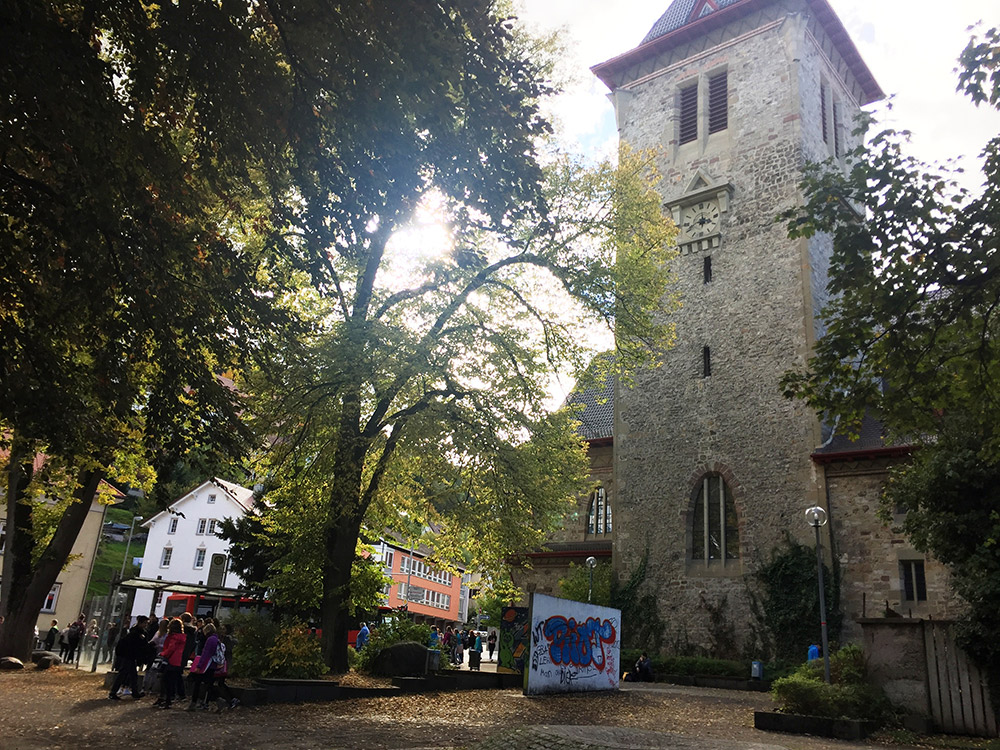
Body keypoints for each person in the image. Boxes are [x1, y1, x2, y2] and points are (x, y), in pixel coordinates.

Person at [109, 619, 148, 701]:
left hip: (129, 656)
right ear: (140, 623)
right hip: (129, 656)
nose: (146, 625)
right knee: (125, 674)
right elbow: (135, 645)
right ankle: (114, 692)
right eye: (144, 623)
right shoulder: (136, 634)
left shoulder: (134, 632)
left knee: (131, 674)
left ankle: (133, 692)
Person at [187, 622, 220, 711]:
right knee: (209, 685)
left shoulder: (209, 640)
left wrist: (199, 665)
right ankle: (206, 703)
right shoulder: (217, 639)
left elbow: (206, 653)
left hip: (206, 665)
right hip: (213, 665)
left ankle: (194, 702)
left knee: (197, 683)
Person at [154, 619, 186, 709]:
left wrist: (163, 654)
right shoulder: (182, 637)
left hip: (170, 660)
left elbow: (171, 648)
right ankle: (168, 699)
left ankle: (167, 700)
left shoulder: (173, 637)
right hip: (177, 661)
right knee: (171, 681)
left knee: (166, 681)